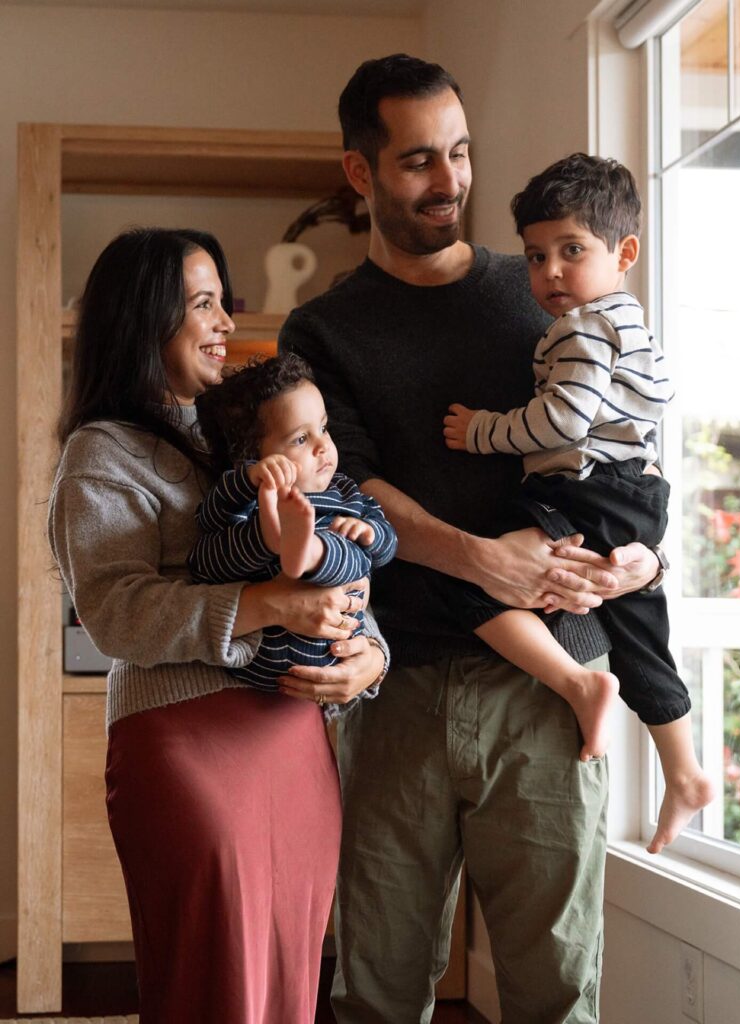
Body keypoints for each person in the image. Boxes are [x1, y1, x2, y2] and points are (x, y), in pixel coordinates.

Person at [280, 53, 661, 1024]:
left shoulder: (545, 292)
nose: (449, 181)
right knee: (375, 989)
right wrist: (479, 557)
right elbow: (345, 493)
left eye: (458, 153)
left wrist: (641, 558)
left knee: (554, 994)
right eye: (417, 161)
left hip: (548, 692)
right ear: (359, 174)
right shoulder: (321, 331)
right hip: (391, 687)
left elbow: (635, 446)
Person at [47, 227, 388, 1024]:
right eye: (203, 305)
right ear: (144, 321)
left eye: (223, 302)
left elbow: (340, 558)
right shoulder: (102, 455)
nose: (226, 323)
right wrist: (268, 606)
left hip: (294, 742)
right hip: (187, 745)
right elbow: (116, 611)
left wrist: (368, 654)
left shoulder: (244, 434)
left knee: (287, 983)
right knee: (215, 984)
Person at [443, 153, 713, 851]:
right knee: (639, 635)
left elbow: (561, 419)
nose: (550, 273)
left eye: (571, 251)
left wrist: (482, 432)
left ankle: (575, 684)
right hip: (635, 494)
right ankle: (682, 770)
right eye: (536, 256)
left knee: (471, 579)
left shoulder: (583, 328)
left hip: (585, 490)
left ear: (623, 252)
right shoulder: (631, 323)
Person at [189, 352, 397, 719]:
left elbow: (388, 544)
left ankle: (308, 552)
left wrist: (370, 532)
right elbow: (210, 517)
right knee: (209, 551)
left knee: (353, 553)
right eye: (301, 438)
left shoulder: (345, 493)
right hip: (253, 654)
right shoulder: (252, 494)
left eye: (324, 427)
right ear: (254, 457)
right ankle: (273, 541)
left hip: (327, 654)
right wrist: (251, 479)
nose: (322, 446)